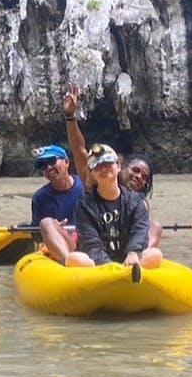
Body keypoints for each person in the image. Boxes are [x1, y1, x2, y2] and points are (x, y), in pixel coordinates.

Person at [61, 84, 163, 247]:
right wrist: (70, 117)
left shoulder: (139, 204)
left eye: (144, 177)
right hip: (94, 248)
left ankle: (140, 259)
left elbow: (138, 233)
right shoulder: (95, 183)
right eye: (136, 170)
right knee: (48, 224)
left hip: (125, 251)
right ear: (121, 167)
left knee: (155, 226)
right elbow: (79, 150)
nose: (139, 177)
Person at [63, 144, 163, 269]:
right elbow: (91, 244)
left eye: (108, 164)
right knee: (74, 259)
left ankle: (131, 272)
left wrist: (133, 253)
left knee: (155, 254)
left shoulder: (136, 201)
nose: (104, 169)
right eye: (98, 166)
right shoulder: (84, 206)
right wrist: (110, 268)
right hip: (99, 266)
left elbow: (139, 232)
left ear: (119, 166)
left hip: (129, 262)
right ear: (92, 173)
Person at [30, 144, 83, 260]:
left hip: (87, 242)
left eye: (52, 161)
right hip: (63, 244)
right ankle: (67, 260)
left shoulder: (85, 188)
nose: (48, 168)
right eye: (43, 165)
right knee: (47, 223)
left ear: (67, 162)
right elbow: (37, 236)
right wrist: (53, 230)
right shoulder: (40, 198)